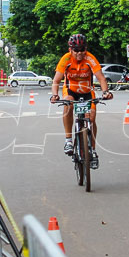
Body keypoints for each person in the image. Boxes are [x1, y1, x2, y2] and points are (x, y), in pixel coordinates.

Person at [49, 34, 113, 169]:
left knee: (92, 118)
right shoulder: (65, 59)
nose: (79, 53)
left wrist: (105, 92)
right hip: (70, 91)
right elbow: (56, 80)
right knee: (68, 104)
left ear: (86, 48)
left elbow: (101, 78)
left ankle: (93, 150)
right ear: (70, 49)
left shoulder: (90, 58)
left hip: (87, 92)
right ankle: (68, 141)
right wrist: (54, 95)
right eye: (76, 50)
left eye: (82, 49)